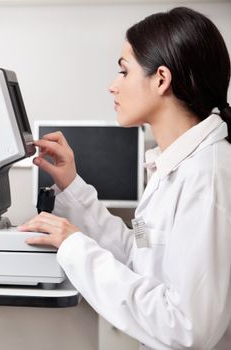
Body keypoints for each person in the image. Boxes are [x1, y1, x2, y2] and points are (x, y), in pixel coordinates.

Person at [19, 7, 231, 350]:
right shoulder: (174, 167)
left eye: (123, 71)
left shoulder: (207, 177)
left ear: (161, 79)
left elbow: (187, 329)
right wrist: (73, 188)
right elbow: (140, 258)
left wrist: (75, 246)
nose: (113, 86)